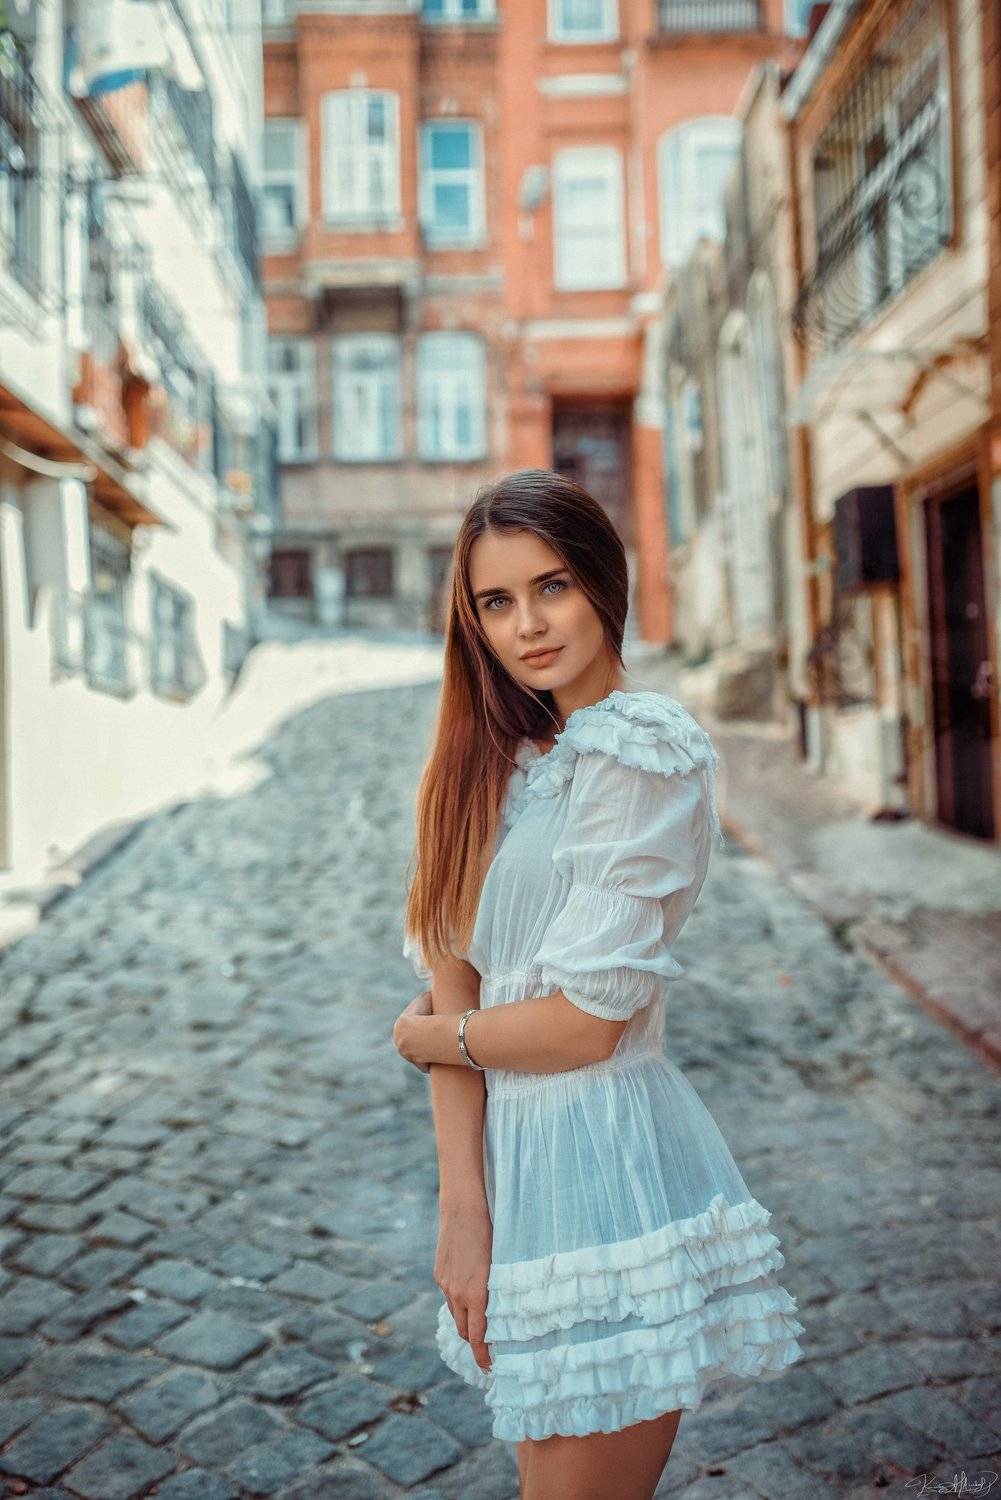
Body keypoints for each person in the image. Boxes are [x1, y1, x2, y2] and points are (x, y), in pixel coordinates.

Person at [393, 469, 805, 1500]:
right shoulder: (485, 760)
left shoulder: (645, 750)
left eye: (552, 587)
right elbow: (452, 980)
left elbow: (583, 1026)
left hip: (609, 1170)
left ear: (602, 585)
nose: (526, 624)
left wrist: (430, 1041)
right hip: (510, 1182)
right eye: (496, 601)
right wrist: (461, 1210)